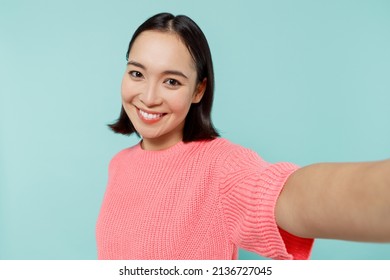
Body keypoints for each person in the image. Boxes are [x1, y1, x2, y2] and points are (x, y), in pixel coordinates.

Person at [96, 12, 390, 260]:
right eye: (137, 74)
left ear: (198, 90)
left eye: (171, 81)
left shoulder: (222, 166)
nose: (148, 97)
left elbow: (285, 194)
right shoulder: (119, 164)